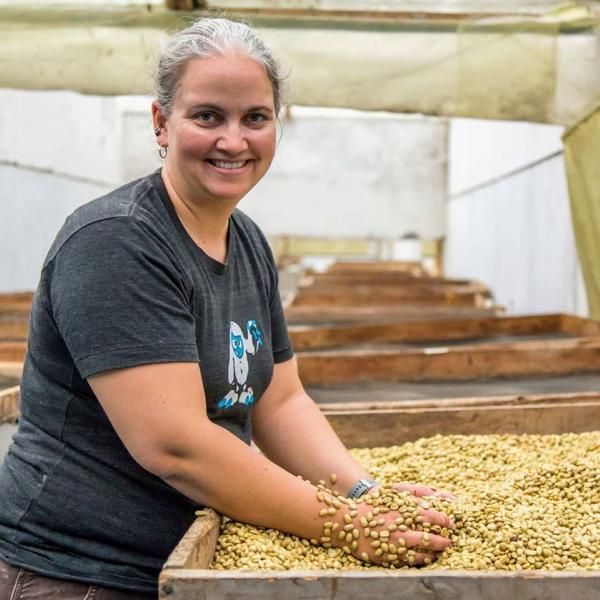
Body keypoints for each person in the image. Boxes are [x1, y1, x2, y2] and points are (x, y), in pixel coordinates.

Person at [0, 17, 454, 599]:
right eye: (208, 115)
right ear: (162, 123)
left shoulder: (248, 242)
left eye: (255, 118)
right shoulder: (116, 242)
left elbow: (279, 400)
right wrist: (345, 526)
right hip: (80, 572)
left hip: (189, 555)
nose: (233, 141)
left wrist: (365, 495)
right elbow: (176, 444)